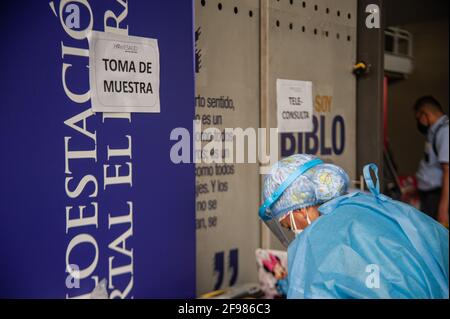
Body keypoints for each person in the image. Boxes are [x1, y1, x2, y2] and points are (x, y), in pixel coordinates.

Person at [259, 154, 449, 299]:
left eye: (289, 226)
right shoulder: (373, 205)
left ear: (299, 210)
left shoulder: (318, 240)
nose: (295, 233)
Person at [414, 96, 449, 226]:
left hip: (437, 197)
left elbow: (447, 170)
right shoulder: (435, 131)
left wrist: (443, 208)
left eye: (418, 118)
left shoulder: (445, 131)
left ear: (425, 114)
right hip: (430, 196)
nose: (419, 122)